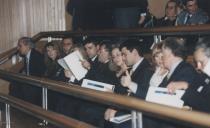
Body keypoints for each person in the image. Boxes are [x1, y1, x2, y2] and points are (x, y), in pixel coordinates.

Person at [181, 37, 210, 113]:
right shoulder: (203, 76)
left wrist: (186, 86)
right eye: (197, 63)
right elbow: (188, 98)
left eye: (201, 62)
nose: (198, 67)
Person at [16, 37, 45, 106]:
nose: (18, 48)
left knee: (23, 88)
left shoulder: (36, 55)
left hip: (37, 84)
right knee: (14, 85)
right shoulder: (27, 56)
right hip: (30, 82)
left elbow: (41, 73)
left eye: (20, 46)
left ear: (27, 46)